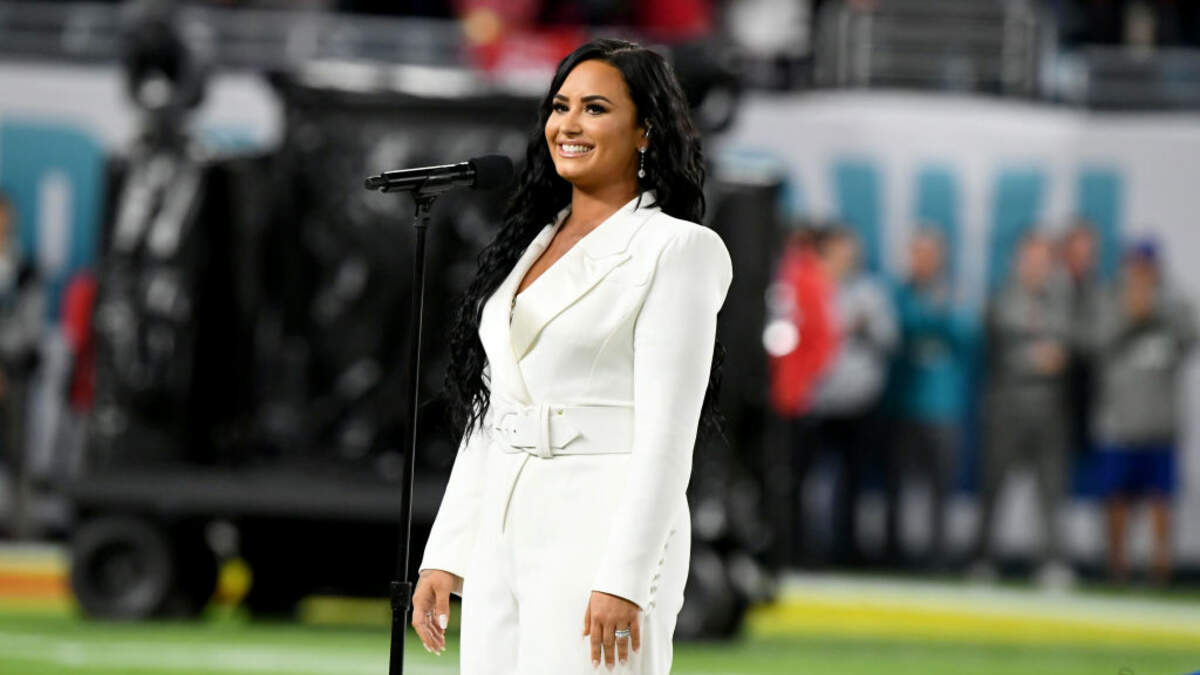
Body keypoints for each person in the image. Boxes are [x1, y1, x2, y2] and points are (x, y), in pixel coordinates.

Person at [411, 39, 733, 674]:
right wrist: (445, 553)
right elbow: (495, 409)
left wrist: (626, 577)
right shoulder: (527, 244)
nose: (569, 124)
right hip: (502, 527)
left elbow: (669, 437)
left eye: (595, 108)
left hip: (599, 526)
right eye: (561, 107)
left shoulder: (676, 249)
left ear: (646, 131)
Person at [970, 233, 1074, 588]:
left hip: (1049, 410)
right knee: (993, 485)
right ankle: (983, 557)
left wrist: (1046, 354)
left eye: (1043, 260)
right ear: (1017, 261)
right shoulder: (1001, 297)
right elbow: (999, 347)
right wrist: (1035, 357)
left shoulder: (1060, 300)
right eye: (1031, 259)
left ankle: (1052, 560)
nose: (1036, 267)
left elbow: (1068, 343)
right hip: (1006, 407)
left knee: (1051, 488)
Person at [1092, 240, 1195, 585]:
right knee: (1116, 497)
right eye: (1135, 267)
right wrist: (1130, 316)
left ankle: (1161, 569)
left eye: (1146, 267)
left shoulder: (1173, 302)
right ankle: (1117, 567)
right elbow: (1095, 343)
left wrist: (1157, 309)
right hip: (1118, 423)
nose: (1140, 274)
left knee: (1161, 499)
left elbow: (1192, 335)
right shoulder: (1110, 300)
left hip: (1159, 424)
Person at [806, 226, 897, 566]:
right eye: (839, 251)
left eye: (851, 252)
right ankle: (805, 546)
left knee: (853, 482)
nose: (846, 259)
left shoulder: (869, 292)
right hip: (814, 402)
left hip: (859, 404)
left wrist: (866, 326)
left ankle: (846, 551)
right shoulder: (809, 287)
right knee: (807, 480)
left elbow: (891, 339)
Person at [882, 228, 971, 570]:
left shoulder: (953, 292)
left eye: (929, 254)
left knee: (940, 488)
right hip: (904, 403)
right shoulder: (900, 293)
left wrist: (935, 318)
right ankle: (892, 553)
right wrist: (934, 317)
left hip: (942, 407)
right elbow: (898, 331)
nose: (923, 261)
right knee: (896, 484)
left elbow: (965, 336)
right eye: (917, 253)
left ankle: (938, 556)